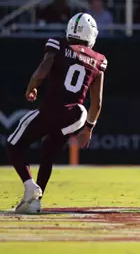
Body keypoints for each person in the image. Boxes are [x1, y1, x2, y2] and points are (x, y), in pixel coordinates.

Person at [6, 13, 107, 214]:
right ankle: (36, 201)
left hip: (51, 108)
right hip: (76, 115)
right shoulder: (99, 60)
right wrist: (89, 127)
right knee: (47, 153)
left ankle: (30, 186)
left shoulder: (58, 45)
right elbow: (97, 103)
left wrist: (32, 86)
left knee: (13, 145)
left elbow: (43, 68)